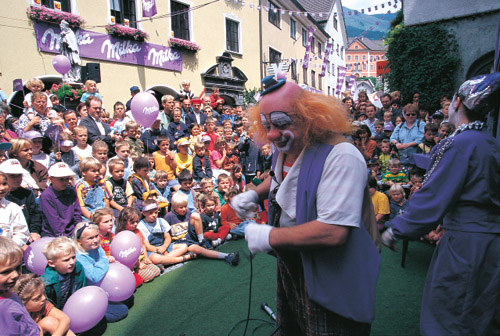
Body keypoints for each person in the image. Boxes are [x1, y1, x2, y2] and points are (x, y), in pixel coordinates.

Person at [231, 76, 380, 335]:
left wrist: (270, 235)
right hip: (293, 260)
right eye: (267, 125)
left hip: (332, 272)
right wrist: (255, 194)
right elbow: (282, 178)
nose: (273, 134)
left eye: (281, 123)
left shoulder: (341, 156)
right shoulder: (288, 145)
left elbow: (334, 231)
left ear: (310, 117)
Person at [382, 73, 500, 335]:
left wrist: (396, 229)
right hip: (489, 241)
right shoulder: (491, 143)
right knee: (481, 314)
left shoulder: (458, 144)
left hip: (467, 244)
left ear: (457, 103)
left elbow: (433, 195)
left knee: (451, 315)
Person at [0, 237, 41, 336]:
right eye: (6, 272)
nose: (15, 275)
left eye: (18, 267)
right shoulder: (3, 308)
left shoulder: (8, 294)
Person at [0, 159, 42, 243]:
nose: (17, 179)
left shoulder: (26, 195)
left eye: (19, 175)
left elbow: (34, 215)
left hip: (17, 242)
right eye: (12, 176)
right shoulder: (5, 197)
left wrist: (34, 231)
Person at [39, 162, 82, 238]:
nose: (65, 182)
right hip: (54, 235)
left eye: (67, 178)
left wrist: (79, 230)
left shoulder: (71, 191)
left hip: (72, 231)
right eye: (61, 179)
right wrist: (62, 236)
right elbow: (53, 221)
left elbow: (77, 213)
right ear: (50, 179)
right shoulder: (47, 196)